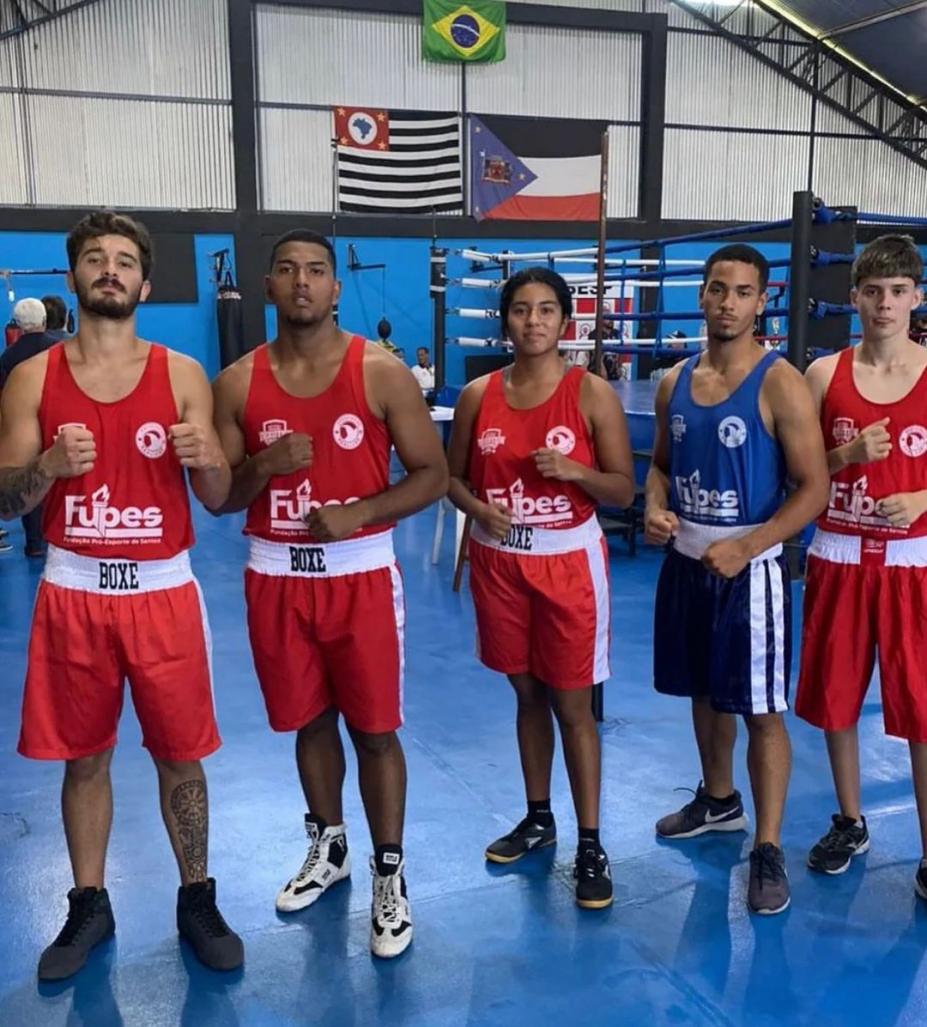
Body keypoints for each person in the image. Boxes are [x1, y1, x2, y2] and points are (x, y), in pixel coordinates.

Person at [0, 210, 243, 980]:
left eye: (126, 260)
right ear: (74, 275)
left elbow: (215, 496)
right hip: (74, 591)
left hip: (162, 593)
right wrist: (44, 468)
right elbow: (5, 499)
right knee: (84, 759)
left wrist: (208, 460)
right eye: (97, 258)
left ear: (144, 279)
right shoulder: (33, 376)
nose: (112, 269)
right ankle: (89, 899)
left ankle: (196, 895)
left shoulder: (181, 373)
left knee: (181, 756)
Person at [211, 229, 447, 959]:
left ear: (336, 288)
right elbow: (220, 497)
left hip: (359, 575)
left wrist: (359, 511)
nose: (303, 282)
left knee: (374, 730)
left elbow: (432, 474)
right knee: (308, 722)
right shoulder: (238, 382)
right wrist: (262, 465)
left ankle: (388, 871)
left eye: (316, 270)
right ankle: (330, 844)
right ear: (268, 287)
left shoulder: (379, 372)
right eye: (287, 270)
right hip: (275, 574)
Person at [645, 243, 829, 915]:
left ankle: (768, 845)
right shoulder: (674, 381)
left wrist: (750, 543)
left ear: (761, 300)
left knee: (758, 709)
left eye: (741, 291)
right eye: (717, 288)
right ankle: (718, 800)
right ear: (701, 295)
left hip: (750, 573)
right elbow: (661, 465)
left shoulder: (779, 381)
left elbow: (813, 488)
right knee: (701, 689)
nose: (727, 301)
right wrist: (653, 504)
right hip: (686, 565)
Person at [446, 267, 635, 909]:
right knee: (526, 693)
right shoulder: (478, 395)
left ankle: (590, 840)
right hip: (500, 564)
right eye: (521, 310)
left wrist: (576, 470)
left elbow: (624, 490)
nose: (533, 321)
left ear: (565, 322)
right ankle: (538, 817)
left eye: (546, 310)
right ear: (506, 321)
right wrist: (478, 510)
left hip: (567, 563)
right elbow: (450, 480)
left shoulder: (590, 394)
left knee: (573, 706)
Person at [797, 236, 927, 891]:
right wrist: (845, 458)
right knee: (837, 698)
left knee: (923, 709)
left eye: (897, 290)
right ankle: (849, 819)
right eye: (872, 292)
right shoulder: (823, 375)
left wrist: (922, 496)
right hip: (838, 552)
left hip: (914, 562)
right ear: (852, 298)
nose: (884, 303)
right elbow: (796, 473)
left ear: (916, 295)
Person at [0, 298, 60, 556]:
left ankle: (35, 542)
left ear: (17, 325)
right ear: (44, 320)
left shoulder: (8, 357)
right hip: (56, 421)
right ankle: (59, 534)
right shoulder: (61, 349)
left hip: (20, 425)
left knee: (30, 476)